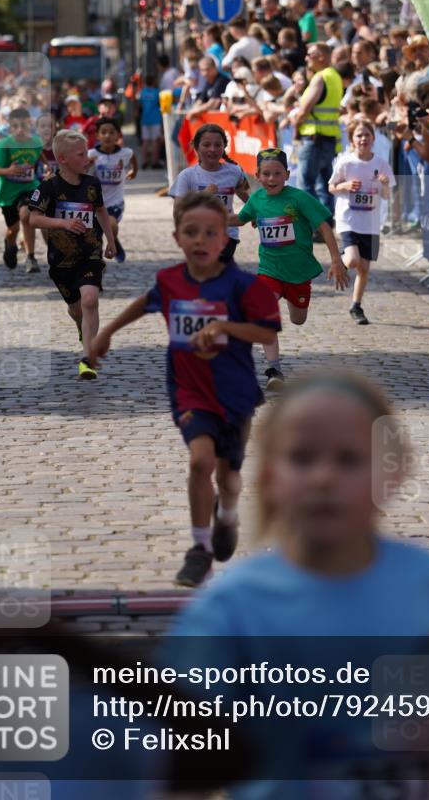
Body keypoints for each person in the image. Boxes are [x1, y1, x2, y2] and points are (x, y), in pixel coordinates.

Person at [170, 372, 429, 798]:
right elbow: (189, 766)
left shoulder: (427, 581)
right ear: (269, 478)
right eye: (302, 458)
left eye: (348, 460)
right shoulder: (229, 610)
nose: (324, 478)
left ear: (392, 473)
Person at [89, 192, 281, 586]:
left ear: (225, 239)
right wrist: (107, 331)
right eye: (191, 232)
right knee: (199, 461)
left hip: (235, 393)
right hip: (189, 391)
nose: (200, 240)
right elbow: (146, 302)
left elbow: (266, 332)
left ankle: (227, 514)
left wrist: (224, 327)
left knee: (228, 479)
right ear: (177, 237)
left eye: (210, 232)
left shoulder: (244, 286)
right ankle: (199, 549)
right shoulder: (170, 281)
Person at [231, 148, 347, 391]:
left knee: (298, 319)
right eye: (266, 174)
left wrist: (336, 260)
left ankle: (287, 306)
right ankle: (274, 369)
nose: (271, 179)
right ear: (257, 175)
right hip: (270, 269)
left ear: (287, 174)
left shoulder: (299, 198)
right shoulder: (257, 199)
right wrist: (210, 214)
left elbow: (324, 227)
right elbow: (240, 219)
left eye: (277, 173)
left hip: (298, 273)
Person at [28, 131, 115, 380]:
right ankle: (81, 327)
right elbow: (33, 219)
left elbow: (101, 210)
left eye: (86, 153)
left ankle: (87, 359)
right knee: (77, 310)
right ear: (63, 159)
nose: (87, 158)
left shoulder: (92, 184)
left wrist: (111, 240)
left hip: (90, 254)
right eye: (81, 154)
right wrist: (63, 223)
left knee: (90, 300)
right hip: (61, 261)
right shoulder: (49, 187)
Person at [329, 118, 395, 325]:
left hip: (370, 222)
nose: (363, 139)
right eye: (359, 135)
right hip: (348, 219)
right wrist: (345, 186)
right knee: (352, 261)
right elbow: (331, 186)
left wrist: (385, 185)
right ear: (352, 140)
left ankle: (356, 306)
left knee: (364, 269)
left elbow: (386, 196)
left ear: (373, 138)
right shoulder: (345, 162)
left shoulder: (381, 164)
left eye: (367, 135)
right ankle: (339, 261)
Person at [169, 123, 249, 263]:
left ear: (224, 146)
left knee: (217, 270)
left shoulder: (235, 171)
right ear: (196, 148)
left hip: (227, 235)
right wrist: (202, 196)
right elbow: (178, 212)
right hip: (199, 236)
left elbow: (247, 197)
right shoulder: (187, 176)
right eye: (206, 145)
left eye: (218, 145)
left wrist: (254, 213)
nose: (212, 149)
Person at [0, 106, 44, 273]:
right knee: (13, 230)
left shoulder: (36, 142)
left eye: (23, 125)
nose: (20, 130)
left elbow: (41, 158)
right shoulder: (4, 144)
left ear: (30, 124)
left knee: (26, 214)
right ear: (9, 127)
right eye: (15, 126)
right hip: (8, 194)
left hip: (30, 188)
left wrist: (47, 168)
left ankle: (31, 257)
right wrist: (8, 171)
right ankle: (10, 244)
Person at [291, 43, 344, 216]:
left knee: (305, 186)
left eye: (310, 54)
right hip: (328, 139)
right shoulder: (335, 76)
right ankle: (326, 223)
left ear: (321, 56)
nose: (306, 58)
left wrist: (296, 126)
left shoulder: (320, 77)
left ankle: (315, 224)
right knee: (324, 187)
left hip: (314, 139)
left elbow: (304, 111)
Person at [87, 115, 137, 262]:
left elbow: (133, 157)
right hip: (96, 203)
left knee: (111, 225)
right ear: (97, 135)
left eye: (111, 132)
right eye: (103, 132)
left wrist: (134, 171)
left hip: (115, 202)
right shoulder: (92, 154)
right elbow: (82, 172)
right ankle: (99, 258)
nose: (107, 136)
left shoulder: (125, 153)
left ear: (118, 135)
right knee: (96, 233)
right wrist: (88, 165)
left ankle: (113, 240)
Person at [185, 55, 228, 121]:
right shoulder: (209, 81)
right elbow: (200, 100)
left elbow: (214, 103)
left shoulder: (222, 81)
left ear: (214, 68)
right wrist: (193, 110)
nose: (205, 73)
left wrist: (195, 111)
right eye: (202, 70)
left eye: (207, 69)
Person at [139, 75, 163, 170]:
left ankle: (144, 161)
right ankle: (154, 162)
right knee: (155, 141)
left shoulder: (142, 92)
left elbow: (139, 105)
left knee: (145, 141)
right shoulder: (157, 92)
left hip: (145, 119)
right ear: (153, 82)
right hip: (155, 119)